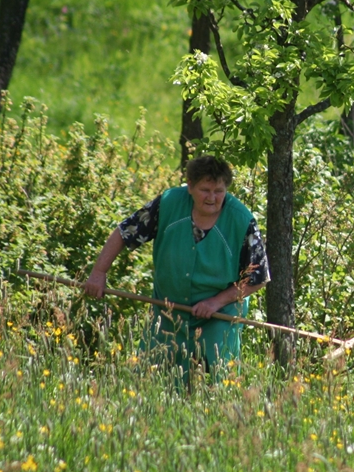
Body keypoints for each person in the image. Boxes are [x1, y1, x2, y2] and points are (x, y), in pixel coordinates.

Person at [84, 155, 269, 377]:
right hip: (168, 311)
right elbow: (125, 232)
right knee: (150, 378)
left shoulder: (241, 219)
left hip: (219, 316)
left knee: (212, 381)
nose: (212, 198)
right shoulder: (169, 202)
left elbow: (258, 277)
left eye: (219, 191)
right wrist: (98, 272)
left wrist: (215, 302)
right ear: (189, 186)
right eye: (205, 190)